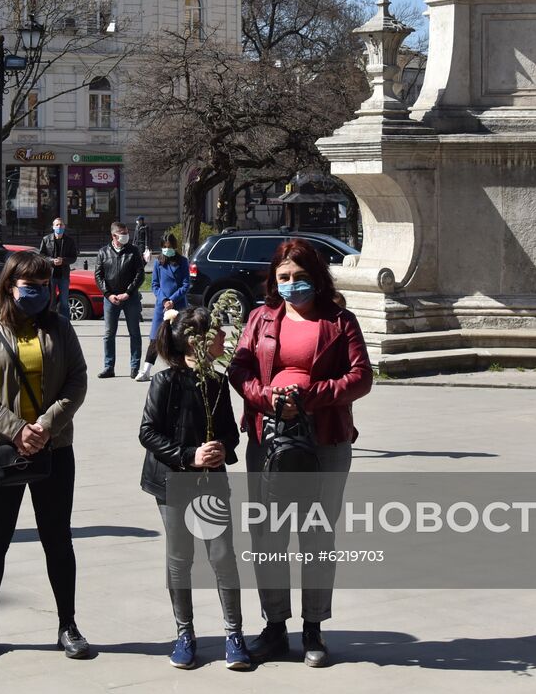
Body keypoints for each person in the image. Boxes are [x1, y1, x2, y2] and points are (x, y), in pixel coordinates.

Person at [228, 238, 372, 668]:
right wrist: (267, 397)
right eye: (284, 278)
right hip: (267, 438)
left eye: (301, 278)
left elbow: (361, 377)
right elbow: (240, 369)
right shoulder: (260, 318)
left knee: (316, 536)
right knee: (268, 535)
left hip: (325, 439)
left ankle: (313, 628)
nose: (292, 285)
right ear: (274, 280)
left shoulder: (340, 321)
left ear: (317, 278)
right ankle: (274, 626)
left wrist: (310, 395)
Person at [0, 250, 90, 660]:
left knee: (58, 540)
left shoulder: (60, 329)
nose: (36, 293)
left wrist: (45, 426)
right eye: (28, 286)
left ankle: (67, 625)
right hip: (0, 448)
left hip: (54, 448)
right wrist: (16, 430)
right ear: (9, 286)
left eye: (43, 286)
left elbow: (77, 380)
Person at [139, 307, 250, 671]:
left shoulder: (217, 383)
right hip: (172, 482)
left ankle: (234, 634)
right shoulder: (164, 382)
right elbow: (148, 432)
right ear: (195, 342)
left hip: (211, 483)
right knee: (180, 559)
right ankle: (184, 634)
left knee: (222, 556)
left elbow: (230, 433)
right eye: (216, 333)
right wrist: (189, 455)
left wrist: (221, 449)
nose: (223, 338)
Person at [95, 220, 145, 379]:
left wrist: (128, 292)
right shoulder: (103, 252)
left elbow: (140, 274)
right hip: (111, 298)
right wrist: (108, 294)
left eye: (126, 233)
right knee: (109, 333)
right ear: (114, 235)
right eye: (122, 234)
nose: (126, 236)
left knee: (134, 332)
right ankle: (109, 367)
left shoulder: (133, 251)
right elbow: (98, 275)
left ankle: (135, 367)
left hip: (130, 298)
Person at [138, 232, 191, 382]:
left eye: (170, 246)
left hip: (178, 305)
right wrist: (164, 300)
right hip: (162, 307)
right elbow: (155, 284)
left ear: (174, 246)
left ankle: (178, 368)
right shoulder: (158, 262)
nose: (167, 249)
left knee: (177, 337)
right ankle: (146, 370)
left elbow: (186, 285)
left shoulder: (183, 261)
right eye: (164, 247)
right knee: (155, 338)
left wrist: (173, 300)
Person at [38, 217, 79, 320]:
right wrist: (52, 260)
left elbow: (73, 257)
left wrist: (63, 261)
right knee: (50, 300)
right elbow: (41, 256)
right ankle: (50, 321)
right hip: (50, 275)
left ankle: (65, 323)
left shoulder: (69, 241)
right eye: (57, 225)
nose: (59, 227)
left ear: (64, 227)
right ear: (53, 227)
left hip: (63, 275)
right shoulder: (46, 239)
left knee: (64, 301)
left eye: (61, 225)